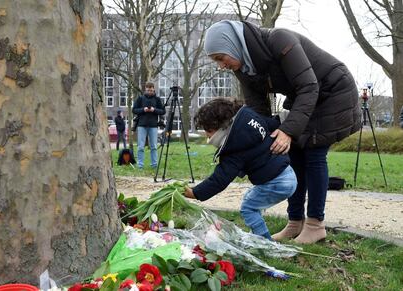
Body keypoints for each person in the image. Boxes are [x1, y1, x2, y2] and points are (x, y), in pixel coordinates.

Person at [203, 20, 360, 244]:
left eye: (220, 58)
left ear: (232, 45)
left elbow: (309, 86)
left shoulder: (279, 40)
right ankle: (295, 222)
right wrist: (261, 137)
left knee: (314, 153)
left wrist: (287, 131)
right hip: (306, 98)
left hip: (332, 91)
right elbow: (258, 109)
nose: (221, 65)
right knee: (292, 153)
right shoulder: (245, 67)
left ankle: (315, 224)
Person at [184, 98, 297, 241]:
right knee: (251, 197)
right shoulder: (250, 117)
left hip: (275, 183)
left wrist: (195, 193)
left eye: (207, 130)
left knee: (248, 208)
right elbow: (274, 123)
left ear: (218, 126)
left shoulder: (233, 148)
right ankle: (255, 233)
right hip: (288, 174)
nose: (207, 135)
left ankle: (265, 242)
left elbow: (220, 179)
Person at [132, 82, 165, 169]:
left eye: (151, 90)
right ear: (145, 89)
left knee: (154, 146)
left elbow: (163, 111)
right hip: (141, 125)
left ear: (153, 89)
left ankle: (154, 165)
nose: (149, 92)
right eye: (148, 90)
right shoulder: (140, 98)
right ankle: (140, 165)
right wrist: (143, 109)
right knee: (140, 146)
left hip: (153, 125)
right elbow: (134, 110)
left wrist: (154, 110)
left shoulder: (157, 99)